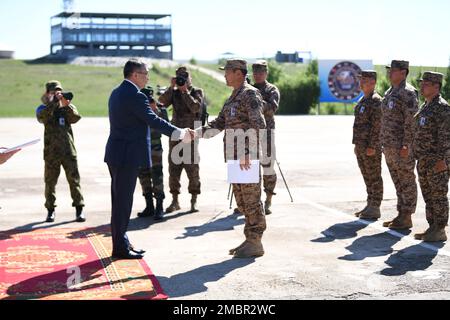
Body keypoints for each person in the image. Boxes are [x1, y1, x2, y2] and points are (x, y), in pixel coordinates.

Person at [104, 59, 194, 260]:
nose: (147, 77)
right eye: (145, 73)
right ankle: (119, 247)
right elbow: (153, 120)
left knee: (120, 201)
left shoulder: (117, 92)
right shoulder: (135, 95)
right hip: (126, 155)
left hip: (118, 154)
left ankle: (122, 241)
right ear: (135, 75)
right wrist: (180, 133)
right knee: (123, 203)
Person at [196, 59, 267, 259]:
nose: (225, 75)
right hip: (234, 157)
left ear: (238, 72)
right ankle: (249, 240)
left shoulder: (249, 94)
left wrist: (248, 152)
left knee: (252, 200)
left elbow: (259, 125)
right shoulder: (233, 97)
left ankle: (255, 242)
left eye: (227, 71)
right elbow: (219, 123)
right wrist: (196, 133)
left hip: (245, 158)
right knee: (242, 201)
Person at [36, 81, 86, 223]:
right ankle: (50, 210)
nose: (57, 94)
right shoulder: (43, 108)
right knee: (50, 183)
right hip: (51, 153)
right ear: (47, 94)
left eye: (59, 92)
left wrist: (65, 104)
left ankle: (79, 209)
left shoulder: (67, 107)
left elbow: (76, 118)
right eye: (54, 92)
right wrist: (53, 103)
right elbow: (42, 118)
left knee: (74, 181)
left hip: (68, 152)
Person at [159, 67, 204, 214]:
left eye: (184, 78)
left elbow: (196, 108)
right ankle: (174, 200)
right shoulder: (174, 92)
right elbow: (161, 104)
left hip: (190, 137)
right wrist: (171, 88)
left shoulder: (197, 92)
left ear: (190, 78)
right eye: (179, 77)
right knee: (174, 169)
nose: (182, 80)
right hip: (175, 136)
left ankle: (194, 200)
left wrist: (184, 91)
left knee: (192, 169)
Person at [380, 60, 419, 230]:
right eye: (389, 70)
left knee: (407, 180)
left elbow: (411, 123)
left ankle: (407, 215)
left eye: (393, 70)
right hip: (389, 146)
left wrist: (406, 146)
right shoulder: (390, 91)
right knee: (398, 181)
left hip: (401, 148)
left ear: (403, 72)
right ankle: (401, 214)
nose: (389, 73)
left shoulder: (408, 93)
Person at [413, 72, 450, 242]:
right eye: (422, 83)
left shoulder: (442, 108)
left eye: (426, 83)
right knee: (428, 196)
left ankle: (440, 229)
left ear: (436, 86)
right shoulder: (425, 106)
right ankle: (432, 227)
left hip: (437, 161)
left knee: (439, 195)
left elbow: (446, 136)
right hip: (423, 160)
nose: (422, 86)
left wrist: (443, 160)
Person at [352, 71, 383, 220]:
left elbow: (377, 127)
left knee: (374, 176)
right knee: (367, 176)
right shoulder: (363, 100)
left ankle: (375, 206)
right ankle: (370, 204)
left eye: (364, 80)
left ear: (372, 82)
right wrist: (357, 145)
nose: (361, 82)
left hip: (370, 148)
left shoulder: (376, 101)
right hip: (361, 146)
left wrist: (372, 146)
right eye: (360, 79)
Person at [251, 60, 280, 215]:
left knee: (267, 166)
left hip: (266, 133)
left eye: (261, 72)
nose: (258, 75)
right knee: (249, 166)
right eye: (255, 72)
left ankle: (268, 199)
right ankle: (251, 201)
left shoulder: (271, 89)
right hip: (249, 134)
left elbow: (272, 108)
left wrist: (256, 100)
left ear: (266, 73)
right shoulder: (248, 89)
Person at [137, 87, 170, 221]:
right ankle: (149, 205)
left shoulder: (159, 109)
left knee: (157, 176)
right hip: (140, 147)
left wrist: (155, 111)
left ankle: (159, 207)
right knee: (143, 176)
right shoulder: (137, 109)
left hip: (155, 147)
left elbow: (165, 125)